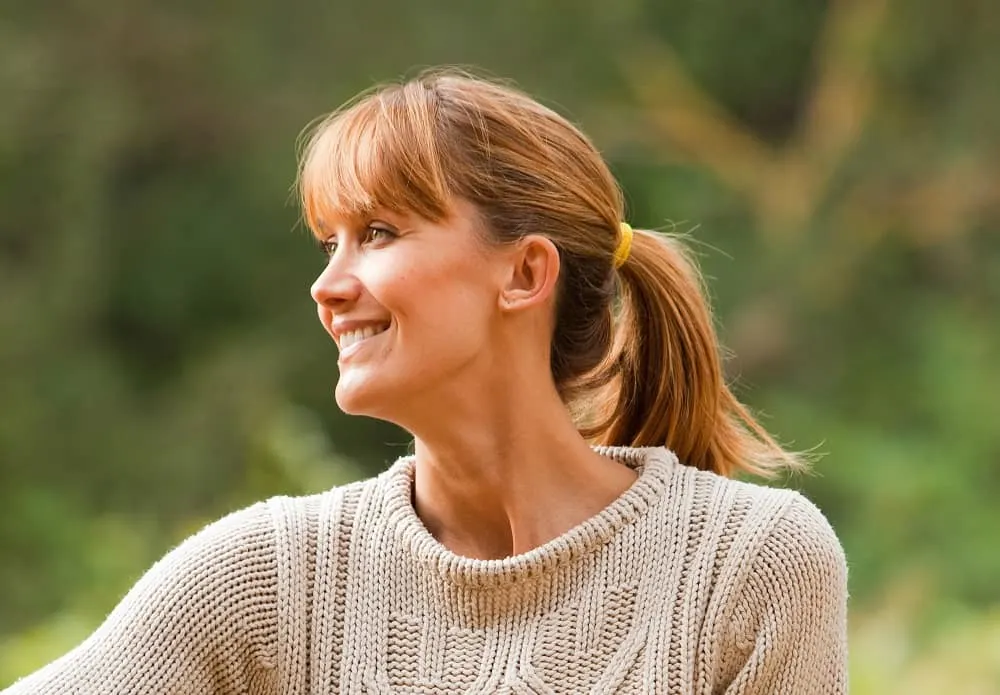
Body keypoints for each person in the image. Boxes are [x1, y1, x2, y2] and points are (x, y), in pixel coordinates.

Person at [4, 69, 848, 694]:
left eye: (377, 231)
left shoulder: (750, 564)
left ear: (523, 274)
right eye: (327, 241)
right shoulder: (270, 575)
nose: (328, 285)